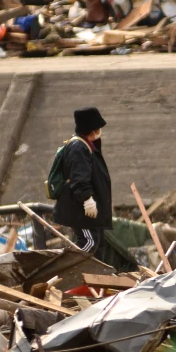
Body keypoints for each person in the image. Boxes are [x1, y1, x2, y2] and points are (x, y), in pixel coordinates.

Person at [53, 107, 112, 257]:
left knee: (98, 244)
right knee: (89, 242)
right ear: (91, 130)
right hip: (80, 209)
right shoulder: (78, 147)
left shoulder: (88, 145)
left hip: (91, 210)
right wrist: (87, 199)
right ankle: (65, 267)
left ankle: (95, 278)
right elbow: (79, 179)